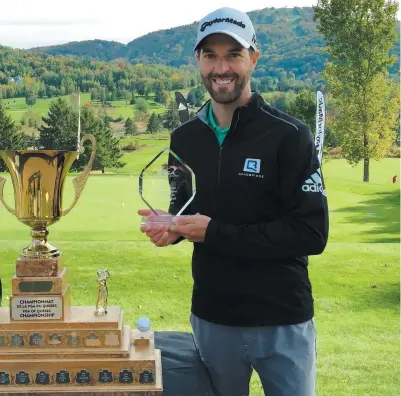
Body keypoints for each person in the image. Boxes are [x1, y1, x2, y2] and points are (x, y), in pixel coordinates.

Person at [138, 7, 329, 396]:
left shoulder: (290, 135)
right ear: (198, 60)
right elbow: (184, 209)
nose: (220, 67)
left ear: (253, 58)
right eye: (210, 55)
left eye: (233, 54)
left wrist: (216, 233)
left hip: (282, 320)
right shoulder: (185, 138)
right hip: (214, 319)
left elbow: (311, 233)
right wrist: (170, 227)